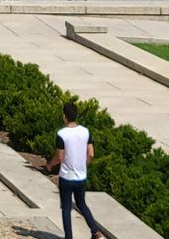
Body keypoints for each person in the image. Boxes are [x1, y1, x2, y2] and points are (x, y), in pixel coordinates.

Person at [51, 100, 102, 239]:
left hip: (66, 177)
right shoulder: (85, 132)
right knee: (81, 203)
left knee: (66, 208)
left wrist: (50, 165)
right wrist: (84, 164)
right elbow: (91, 153)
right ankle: (95, 230)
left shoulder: (62, 134)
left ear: (64, 116)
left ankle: (69, 237)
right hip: (81, 176)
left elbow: (59, 157)